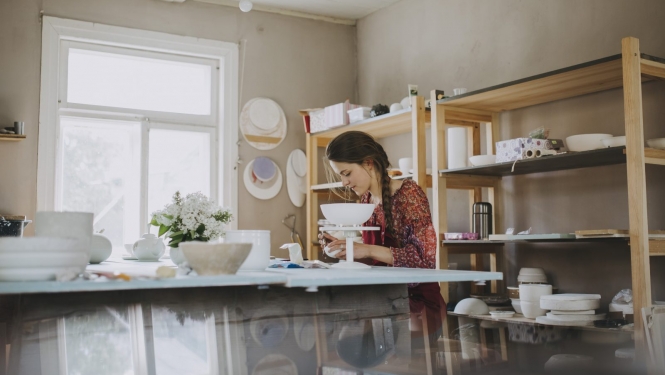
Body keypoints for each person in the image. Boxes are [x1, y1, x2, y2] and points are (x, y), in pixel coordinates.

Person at [318, 130, 445, 346]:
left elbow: (424, 261)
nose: (344, 182)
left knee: (352, 340)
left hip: (418, 307)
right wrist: (346, 250)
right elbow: (378, 262)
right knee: (338, 331)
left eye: (346, 173)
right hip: (387, 301)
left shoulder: (409, 195)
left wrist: (365, 250)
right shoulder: (367, 200)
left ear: (368, 163)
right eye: (341, 175)